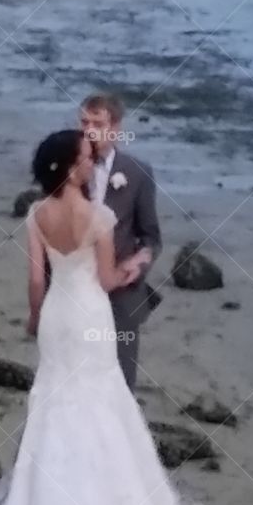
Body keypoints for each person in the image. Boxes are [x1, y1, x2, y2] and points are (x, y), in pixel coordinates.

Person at [0, 129, 179, 505]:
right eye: (83, 156)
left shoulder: (37, 215)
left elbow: (37, 281)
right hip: (91, 316)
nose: (90, 160)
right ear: (69, 167)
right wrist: (135, 266)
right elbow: (106, 278)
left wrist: (36, 318)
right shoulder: (100, 215)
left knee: (55, 401)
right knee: (100, 399)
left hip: (58, 315)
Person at [78, 92, 162, 392]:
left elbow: (151, 236)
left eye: (97, 123)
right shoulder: (69, 171)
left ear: (115, 128)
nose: (89, 130)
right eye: (84, 122)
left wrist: (139, 266)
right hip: (75, 290)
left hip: (122, 296)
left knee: (121, 385)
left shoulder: (138, 174)